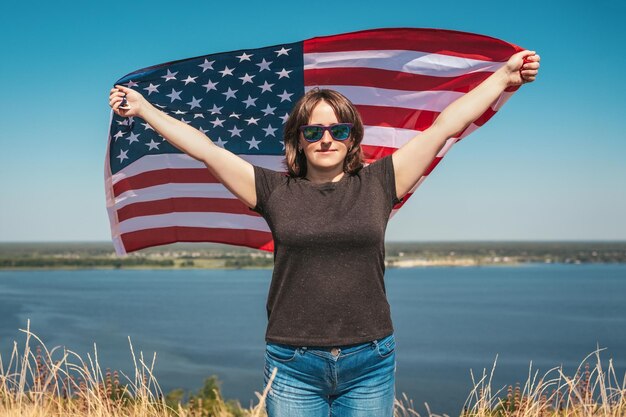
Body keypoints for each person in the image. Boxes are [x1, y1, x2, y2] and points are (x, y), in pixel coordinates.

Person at [109, 49, 540, 417]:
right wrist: (144, 109)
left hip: (370, 358)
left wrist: (503, 77)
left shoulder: (380, 182)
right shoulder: (273, 190)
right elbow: (204, 147)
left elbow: (444, 125)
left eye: (339, 130)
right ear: (298, 139)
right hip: (294, 361)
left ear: (352, 138)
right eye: (313, 131)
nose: (327, 139)